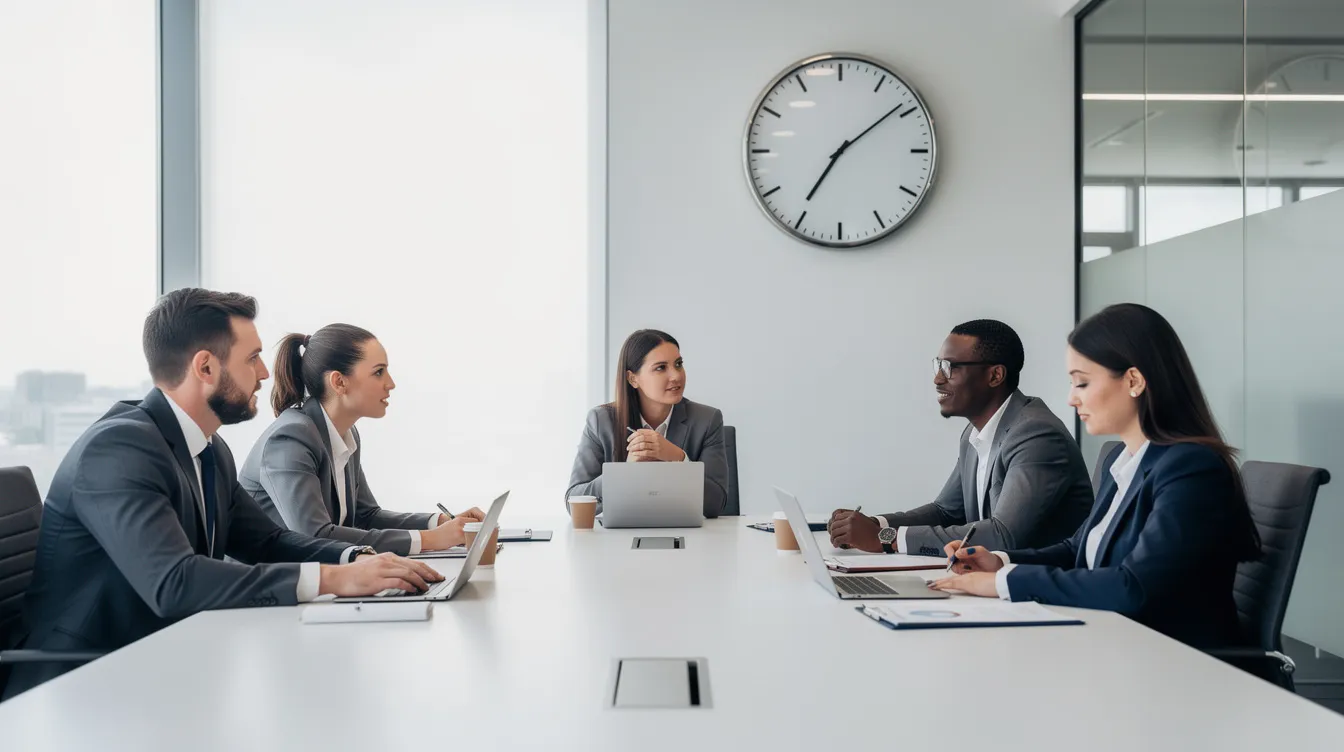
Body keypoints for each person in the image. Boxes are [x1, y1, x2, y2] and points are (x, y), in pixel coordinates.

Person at [2, 290, 441, 700]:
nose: (265, 373)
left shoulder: (210, 449)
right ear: (206, 368)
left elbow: (266, 541)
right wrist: (333, 579)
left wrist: (357, 559)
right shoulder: (119, 449)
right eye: (252, 358)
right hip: (83, 682)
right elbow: (174, 582)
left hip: (168, 660)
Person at [931, 304, 1261, 649]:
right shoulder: (1120, 459)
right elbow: (1078, 549)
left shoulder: (1191, 468)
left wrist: (1003, 583)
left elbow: (1135, 587)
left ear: (1133, 381)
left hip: (1173, 659)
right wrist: (999, 561)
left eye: (1082, 382)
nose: (1072, 399)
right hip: (1114, 641)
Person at [829, 320, 1093, 555]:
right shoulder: (975, 433)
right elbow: (946, 512)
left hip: (1037, 586)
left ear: (995, 375)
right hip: (989, 580)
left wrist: (886, 539)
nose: (937, 378)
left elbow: (1003, 536)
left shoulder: (1036, 435)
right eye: (938, 365)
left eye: (950, 367)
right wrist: (874, 525)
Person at [239, 324, 483, 554]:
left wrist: (440, 523)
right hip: (268, 581)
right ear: (339, 382)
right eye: (378, 372)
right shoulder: (290, 438)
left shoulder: (345, 432)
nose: (391, 384)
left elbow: (366, 516)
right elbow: (314, 536)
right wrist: (430, 539)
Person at [566, 329, 728, 518]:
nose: (676, 376)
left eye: (678, 364)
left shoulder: (707, 419)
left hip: (685, 533)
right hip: (621, 534)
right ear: (633, 379)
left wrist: (678, 458)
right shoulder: (601, 421)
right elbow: (573, 501)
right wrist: (623, 473)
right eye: (661, 368)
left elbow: (716, 504)